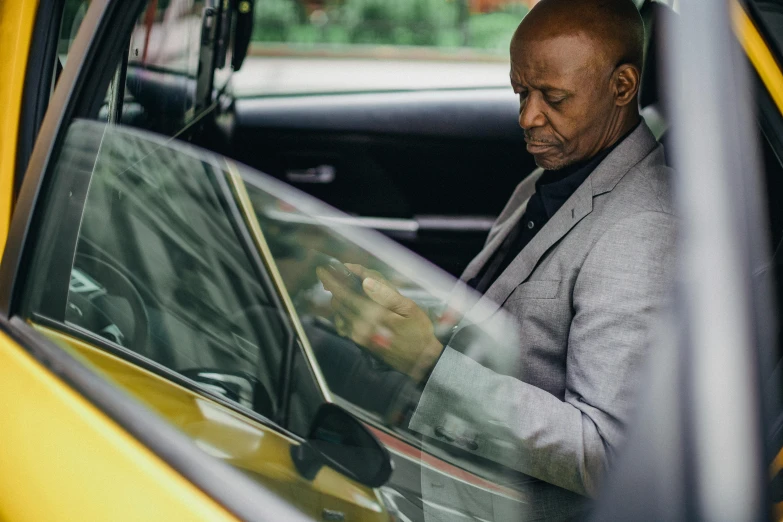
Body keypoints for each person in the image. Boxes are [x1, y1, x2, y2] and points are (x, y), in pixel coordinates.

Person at [318, 0, 676, 518]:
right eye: (521, 91)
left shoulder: (641, 230)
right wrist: (392, 308)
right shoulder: (550, 178)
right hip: (443, 453)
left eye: (553, 97)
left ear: (623, 87)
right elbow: (494, 311)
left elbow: (607, 452)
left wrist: (427, 362)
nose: (527, 117)